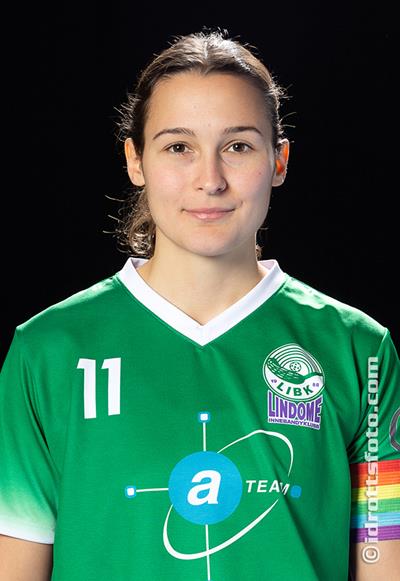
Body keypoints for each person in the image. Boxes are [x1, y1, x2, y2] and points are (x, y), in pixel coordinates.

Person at [0, 29, 398, 581]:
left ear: (279, 161)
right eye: (178, 147)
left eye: (238, 146)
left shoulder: (361, 351)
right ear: (135, 160)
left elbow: (383, 557)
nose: (209, 180)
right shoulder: (47, 351)